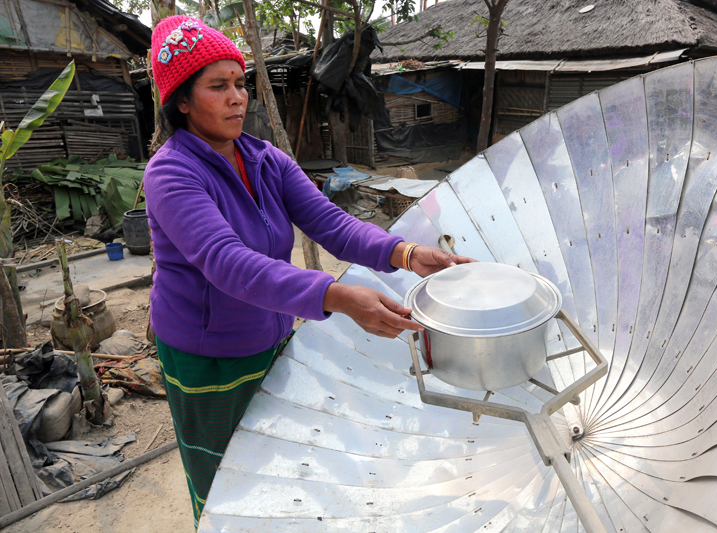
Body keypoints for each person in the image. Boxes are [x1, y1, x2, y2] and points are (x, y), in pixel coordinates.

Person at [145, 16, 473, 528]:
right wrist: (337, 296)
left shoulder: (266, 160)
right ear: (182, 101)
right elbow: (227, 263)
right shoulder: (171, 173)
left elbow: (332, 225)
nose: (237, 98)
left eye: (240, 83)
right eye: (217, 86)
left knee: (272, 454)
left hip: (273, 331)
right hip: (207, 357)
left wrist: (406, 253)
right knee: (224, 478)